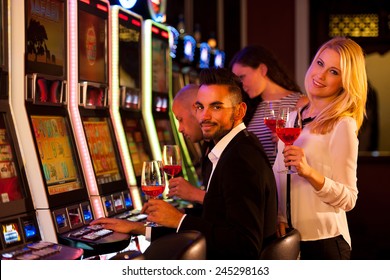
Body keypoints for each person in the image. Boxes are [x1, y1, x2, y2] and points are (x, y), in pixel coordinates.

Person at [91, 68, 278, 259]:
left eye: (216, 107)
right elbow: (216, 222)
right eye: (200, 107)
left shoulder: (240, 159)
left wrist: (179, 219)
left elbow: (244, 247)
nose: (205, 116)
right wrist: (140, 228)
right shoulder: (235, 148)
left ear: (239, 111)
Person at [273, 37, 367, 260]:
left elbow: (348, 199)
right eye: (320, 63)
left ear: (346, 82)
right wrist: (279, 215)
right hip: (289, 238)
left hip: (324, 242)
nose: (321, 75)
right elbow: (280, 174)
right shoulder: (294, 117)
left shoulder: (342, 124)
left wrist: (309, 172)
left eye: (334, 72)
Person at [230, 45, 308, 166]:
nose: (241, 84)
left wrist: (290, 142)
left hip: (287, 180)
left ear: (262, 69)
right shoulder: (248, 107)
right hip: (257, 181)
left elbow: (311, 150)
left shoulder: (300, 102)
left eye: (242, 77)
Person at [170, 84, 206, 204]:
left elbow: (233, 213)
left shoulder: (234, 151)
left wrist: (193, 193)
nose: (179, 129)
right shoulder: (210, 148)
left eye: (180, 119)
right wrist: (181, 213)